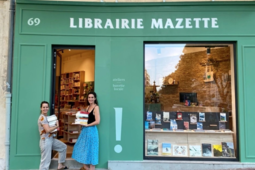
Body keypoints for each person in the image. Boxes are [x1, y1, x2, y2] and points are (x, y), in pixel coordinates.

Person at [72, 92, 100, 170]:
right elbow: (86, 120)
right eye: (89, 97)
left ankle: (90, 168)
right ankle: (85, 167)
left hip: (92, 131)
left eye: (92, 97)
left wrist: (87, 125)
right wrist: (79, 122)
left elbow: (97, 121)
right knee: (81, 148)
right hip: (85, 131)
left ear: (95, 98)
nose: (90, 99)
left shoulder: (96, 107)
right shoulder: (87, 107)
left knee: (92, 153)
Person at [38, 101, 68, 170]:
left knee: (63, 147)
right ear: (41, 108)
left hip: (50, 139)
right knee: (45, 162)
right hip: (45, 141)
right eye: (43, 107)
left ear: (48, 108)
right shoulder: (42, 118)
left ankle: (60, 165)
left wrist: (54, 129)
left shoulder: (46, 117)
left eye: (46, 107)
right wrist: (56, 126)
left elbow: (49, 130)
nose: (45, 108)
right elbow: (48, 130)